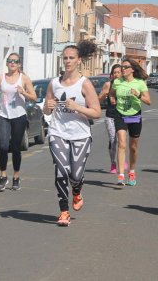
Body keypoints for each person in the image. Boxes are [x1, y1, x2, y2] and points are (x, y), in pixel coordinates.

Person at [43, 42, 102, 226]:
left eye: (71, 58)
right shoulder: (54, 83)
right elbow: (46, 110)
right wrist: (48, 106)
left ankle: (76, 191)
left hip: (80, 135)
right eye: (65, 58)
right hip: (57, 132)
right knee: (61, 170)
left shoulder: (85, 84)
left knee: (75, 175)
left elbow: (97, 112)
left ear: (78, 61)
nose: (68, 61)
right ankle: (63, 211)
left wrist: (77, 107)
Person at [0, 53, 37, 192]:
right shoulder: (0, 78)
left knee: (15, 147)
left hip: (19, 116)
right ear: (7, 63)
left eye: (15, 61)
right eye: (10, 61)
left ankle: (16, 176)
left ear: (19, 64)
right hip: (3, 115)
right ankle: (3, 176)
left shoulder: (24, 79)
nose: (12, 63)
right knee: (3, 146)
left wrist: (23, 93)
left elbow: (34, 97)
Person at [109, 58, 151, 186]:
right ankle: (121, 175)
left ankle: (131, 172)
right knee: (121, 143)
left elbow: (148, 101)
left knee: (133, 147)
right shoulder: (117, 82)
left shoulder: (140, 83)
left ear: (132, 69)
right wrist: (112, 99)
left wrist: (138, 95)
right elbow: (111, 93)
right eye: (122, 67)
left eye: (126, 67)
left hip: (134, 115)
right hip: (120, 114)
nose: (123, 69)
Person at [98, 64, 123, 173]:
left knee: (122, 142)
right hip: (111, 116)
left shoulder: (125, 84)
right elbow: (98, 99)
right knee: (113, 140)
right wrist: (104, 95)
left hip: (123, 116)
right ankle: (113, 162)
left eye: (118, 72)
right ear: (112, 74)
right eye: (114, 73)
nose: (116, 74)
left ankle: (121, 161)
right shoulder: (108, 84)